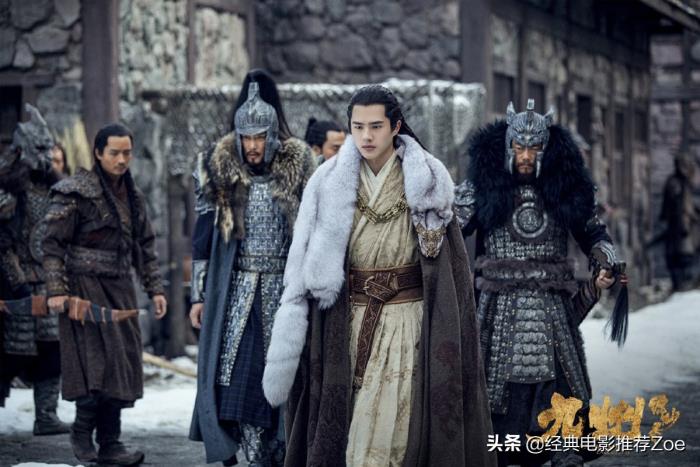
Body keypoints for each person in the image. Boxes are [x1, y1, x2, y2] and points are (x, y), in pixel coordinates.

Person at [263, 84, 496, 466]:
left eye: (375, 126)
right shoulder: (327, 182)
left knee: (395, 433)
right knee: (350, 432)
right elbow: (304, 262)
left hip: (409, 321)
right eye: (358, 127)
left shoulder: (427, 180)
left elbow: (448, 267)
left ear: (395, 126)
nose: (366, 136)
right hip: (348, 323)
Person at [455, 100, 619, 467]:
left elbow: (594, 233)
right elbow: (449, 229)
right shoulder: (484, 187)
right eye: (519, 147)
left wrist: (605, 261)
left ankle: (561, 446)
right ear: (508, 145)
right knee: (494, 386)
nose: (526, 156)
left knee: (559, 381)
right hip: (497, 306)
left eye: (534, 148)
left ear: (546, 148)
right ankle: (499, 449)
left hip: (549, 305)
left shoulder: (565, 188)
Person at [188, 69, 315, 466]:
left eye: (260, 137)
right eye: (247, 138)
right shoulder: (220, 169)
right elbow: (203, 237)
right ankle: (243, 452)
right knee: (233, 374)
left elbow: (315, 231)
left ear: (272, 136)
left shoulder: (299, 168)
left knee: (281, 377)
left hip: (284, 290)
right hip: (237, 291)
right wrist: (198, 296)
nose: (254, 146)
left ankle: (276, 454)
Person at [42, 123, 167, 465]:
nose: (122, 160)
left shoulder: (133, 196)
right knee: (93, 364)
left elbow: (145, 247)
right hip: (83, 289)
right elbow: (52, 245)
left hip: (120, 289)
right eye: (114, 153)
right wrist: (57, 290)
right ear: (98, 153)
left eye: (127, 153)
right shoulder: (76, 192)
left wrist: (155, 288)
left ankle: (111, 443)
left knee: (120, 366)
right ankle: (82, 433)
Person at [0, 104, 70, 435]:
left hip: (49, 281)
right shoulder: (9, 190)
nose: (45, 156)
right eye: (38, 149)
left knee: (52, 349)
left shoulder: (58, 190)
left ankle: (46, 415)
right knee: (9, 352)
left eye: (48, 148)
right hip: (13, 283)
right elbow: (3, 243)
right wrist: (17, 283)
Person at [659, 152, 698, 291]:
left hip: (683, 226)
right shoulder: (675, 183)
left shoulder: (682, 183)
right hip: (679, 227)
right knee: (679, 256)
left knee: (683, 256)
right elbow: (678, 207)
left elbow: (688, 205)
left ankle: (684, 284)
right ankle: (680, 285)